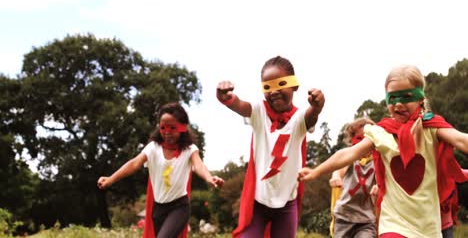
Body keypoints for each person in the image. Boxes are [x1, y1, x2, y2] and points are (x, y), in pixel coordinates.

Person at [298, 65, 468, 238]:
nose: (399, 103)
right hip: (394, 224)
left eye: (407, 97)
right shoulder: (380, 132)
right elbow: (349, 153)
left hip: (428, 228)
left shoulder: (432, 128)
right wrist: (315, 171)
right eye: (393, 98)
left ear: (420, 98)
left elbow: (462, 140)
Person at [216, 56, 325, 238]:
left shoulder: (298, 119)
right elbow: (241, 106)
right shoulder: (259, 112)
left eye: (280, 84)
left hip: (286, 204)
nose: (274, 91)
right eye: (268, 87)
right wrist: (227, 99)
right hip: (258, 202)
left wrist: (316, 107)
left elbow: (310, 117)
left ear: (294, 86)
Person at [97, 102, 224, 238]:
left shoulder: (189, 149)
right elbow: (134, 164)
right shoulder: (153, 148)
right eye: (163, 128)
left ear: (183, 128)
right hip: (158, 209)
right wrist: (111, 179)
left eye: (172, 128)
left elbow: (199, 165)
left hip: (179, 207)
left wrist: (209, 178)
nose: (167, 133)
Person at [329, 117, 378, 238]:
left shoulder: (379, 160)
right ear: (352, 140)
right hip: (344, 216)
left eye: (367, 139)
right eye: (359, 139)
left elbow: (385, 179)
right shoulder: (350, 157)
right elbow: (339, 170)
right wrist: (336, 177)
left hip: (367, 220)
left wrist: (379, 186)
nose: (363, 144)